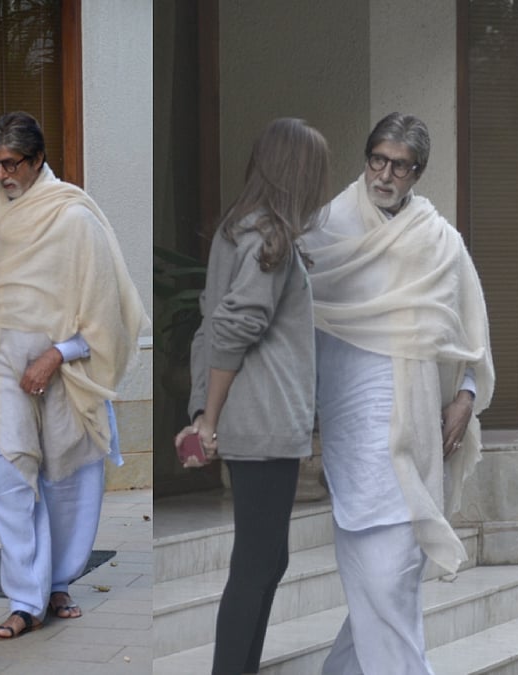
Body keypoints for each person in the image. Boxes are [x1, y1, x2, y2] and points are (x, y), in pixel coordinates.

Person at [303, 113, 493, 675]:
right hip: (354, 430)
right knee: (383, 581)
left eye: (399, 166)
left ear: (418, 173)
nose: (384, 174)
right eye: (376, 160)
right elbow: (296, 321)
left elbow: (468, 327)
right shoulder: (327, 228)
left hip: (419, 430)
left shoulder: (439, 239)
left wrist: (464, 394)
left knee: (394, 578)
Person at [0, 111, 146, 639]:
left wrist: (58, 354)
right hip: (1, 360)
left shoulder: (73, 215)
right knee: (12, 478)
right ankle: (24, 600)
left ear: (37, 161)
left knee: (68, 479)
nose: (1, 174)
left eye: (12, 164)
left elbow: (104, 313)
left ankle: (58, 581)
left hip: (66, 367)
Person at [177, 117, 329, 675]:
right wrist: (208, 420)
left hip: (255, 423)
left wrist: (200, 412)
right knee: (258, 563)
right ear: (298, 172)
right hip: (263, 426)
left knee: (265, 560)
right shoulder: (271, 240)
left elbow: (208, 326)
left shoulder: (235, 232)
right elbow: (233, 326)